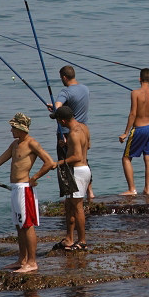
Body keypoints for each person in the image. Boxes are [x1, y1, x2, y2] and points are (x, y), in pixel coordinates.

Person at [0, 113, 55, 273]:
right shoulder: (14, 144)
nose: (11, 130)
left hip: (25, 189)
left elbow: (50, 162)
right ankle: (22, 260)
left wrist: (34, 177)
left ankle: (32, 262)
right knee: (19, 225)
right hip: (14, 188)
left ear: (21, 128)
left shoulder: (32, 143)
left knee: (27, 225)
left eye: (13, 127)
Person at [46, 106, 91, 250]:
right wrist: (67, 145)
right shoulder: (84, 128)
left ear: (63, 120)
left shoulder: (73, 133)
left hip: (77, 171)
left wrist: (57, 163)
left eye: (59, 121)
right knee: (69, 205)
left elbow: (76, 157)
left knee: (77, 207)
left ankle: (82, 241)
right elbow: (86, 146)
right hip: (84, 169)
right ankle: (69, 239)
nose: (60, 124)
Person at [48, 65, 94, 200]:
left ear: (64, 77)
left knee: (66, 162)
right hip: (84, 130)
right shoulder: (85, 89)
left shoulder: (65, 92)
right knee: (84, 160)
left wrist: (53, 109)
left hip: (66, 131)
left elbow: (58, 107)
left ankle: (70, 192)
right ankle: (90, 192)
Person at [118, 68, 149, 195]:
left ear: (139, 79)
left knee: (126, 158)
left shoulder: (135, 93)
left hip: (139, 128)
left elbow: (133, 113)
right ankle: (147, 189)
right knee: (148, 158)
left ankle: (132, 189)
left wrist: (126, 132)